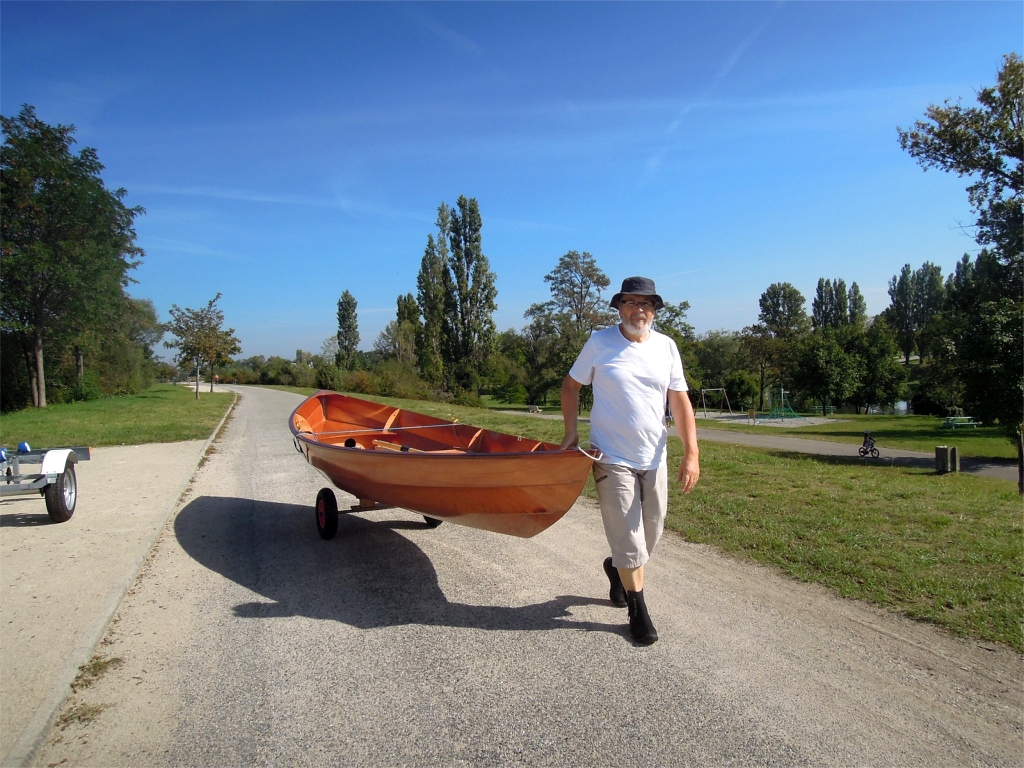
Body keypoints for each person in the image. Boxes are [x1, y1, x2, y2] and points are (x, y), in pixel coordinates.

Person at [560, 276, 700, 645]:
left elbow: (680, 401)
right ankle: (637, 611)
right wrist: (571, 433)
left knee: (650, 534)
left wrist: (692, 454)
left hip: (654, 457)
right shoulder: (599, 342)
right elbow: (571, 386)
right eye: (631, 302)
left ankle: (615, 567)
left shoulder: (666, 347)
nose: (639, 310)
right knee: (629, 539)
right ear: (619, 307)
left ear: (654, 310)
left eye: (646, 303)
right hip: (610, 456)